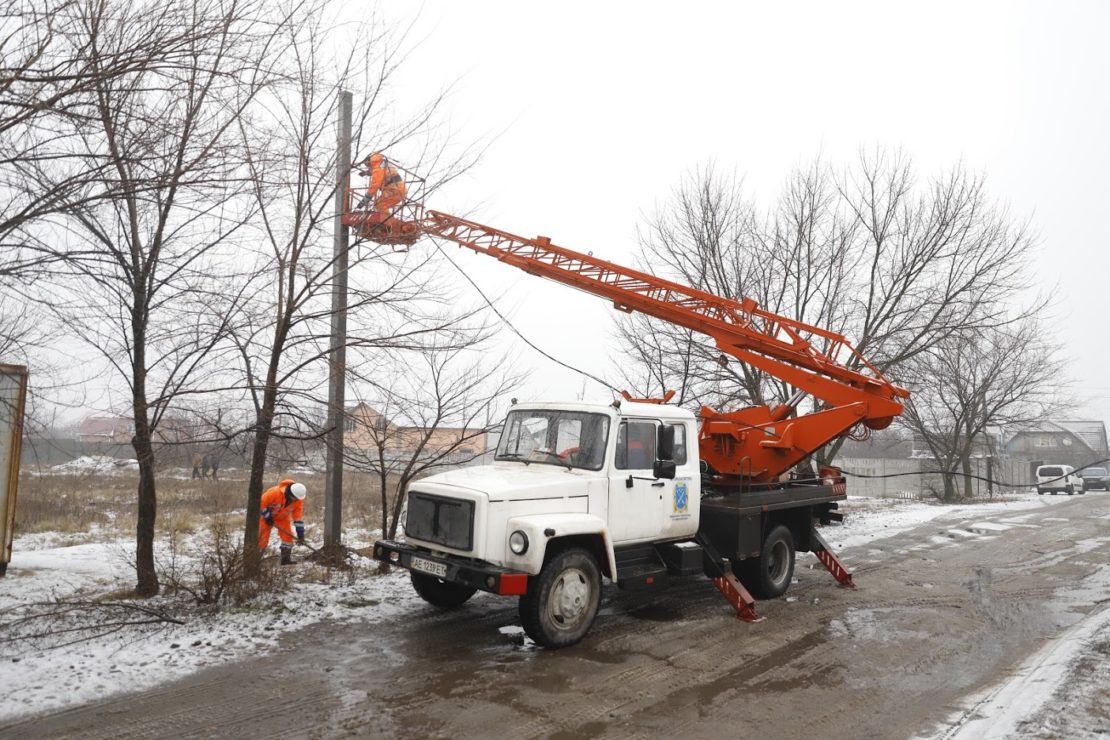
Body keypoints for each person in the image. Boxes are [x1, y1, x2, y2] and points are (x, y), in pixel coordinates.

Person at [258, 478, 307, 565]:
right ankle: (256, 558)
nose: (295, 500)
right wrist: (267, 516)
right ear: (289, 493)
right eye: (294, 498)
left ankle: (285, 559)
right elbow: (261, 503)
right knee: (262, 538)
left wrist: (300, 534)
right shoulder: (274, 493)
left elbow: (297, 517)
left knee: (288, 537)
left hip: (283, 518)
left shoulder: (298, 500)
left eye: (296, 499)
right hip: (266, 517)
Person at [363, 152, 407, 222]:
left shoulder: (377, 168)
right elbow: (384, 172)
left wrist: (367, 197)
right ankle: (389, 221)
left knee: (380, 204)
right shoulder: (381, 162)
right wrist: (368, 172)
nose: (369, 167)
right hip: (399, 188)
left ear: (369, 162)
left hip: (393, 189)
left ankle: (389, 222)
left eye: (368, 166)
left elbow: (375, 184)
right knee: (380, 204)